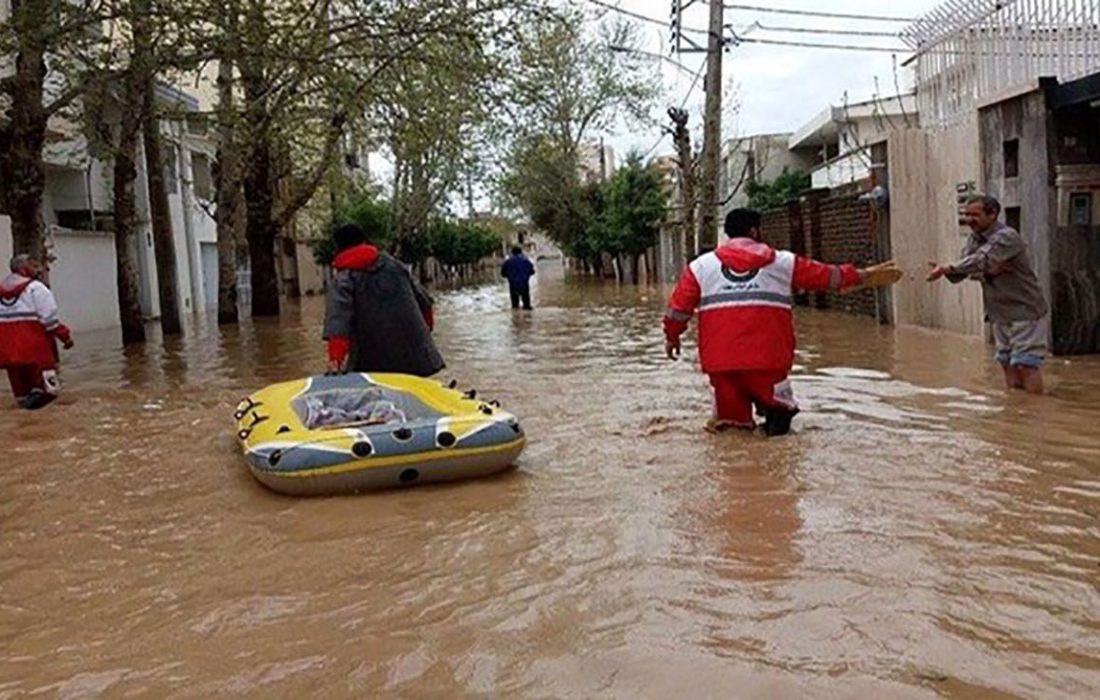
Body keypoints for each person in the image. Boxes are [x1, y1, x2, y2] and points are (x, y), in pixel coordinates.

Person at [663, 208, 871, 437]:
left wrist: (672, 337)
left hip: (721, 365)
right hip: (768, 362)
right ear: (754, 231)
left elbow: (677, 310)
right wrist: (861, 275)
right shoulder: (782, 263)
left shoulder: (700, 267)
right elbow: (826, 276)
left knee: (732, 433)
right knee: (780, 426)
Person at [927, 194, 1049, 394]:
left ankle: (1035, 411)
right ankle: (1017, 410)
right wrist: (979, 270)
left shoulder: (1007, 236)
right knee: (1006, 362)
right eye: (966, 215)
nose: (969, 220)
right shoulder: (975, 239)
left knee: (1026, 363)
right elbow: (967, 268)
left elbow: (979, 261)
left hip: (1025, 310)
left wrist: (949, 268)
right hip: (999, 312)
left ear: (993, 214)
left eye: (974, 215)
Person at [323, 223, 444, 377]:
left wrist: (335, 362)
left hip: (374, 365)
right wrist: (425, 334)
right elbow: (425, 303)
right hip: (418, 358)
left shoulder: (343, 279)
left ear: (338, 248)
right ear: (365, 241)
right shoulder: (395, 266)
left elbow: (338, 326)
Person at [0, 254, 74, 409]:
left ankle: (25, 428)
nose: (40, 269)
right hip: (37, 353)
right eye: (34, 266)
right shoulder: (37, 289)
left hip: (9, 356)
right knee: (50, 392)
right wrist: (66, 338)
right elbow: (50, 321)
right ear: (23, 268)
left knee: (21, 399)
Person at [501, 246, 535, 310]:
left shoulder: (508, 262)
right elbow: (532, 272)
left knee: (515, 306)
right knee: (527, 306)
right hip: (524, 285)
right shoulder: (526, 261)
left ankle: (515, 318)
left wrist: (510, 276)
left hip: (513, 286)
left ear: (512, 253)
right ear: (521, 252)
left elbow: (503, 274)